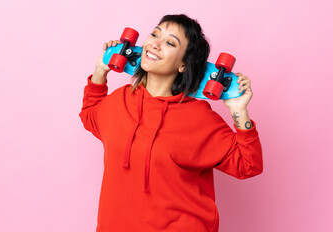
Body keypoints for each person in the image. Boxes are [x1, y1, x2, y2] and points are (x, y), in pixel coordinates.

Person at [79, 14, 263, 232]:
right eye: (155, 34)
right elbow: (91, 115)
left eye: (169, 43)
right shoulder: (120, 101)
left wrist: (239, 111)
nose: (155, 44)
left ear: (184, 64)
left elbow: (248, 165)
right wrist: (101, 70)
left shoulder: (198, 117)